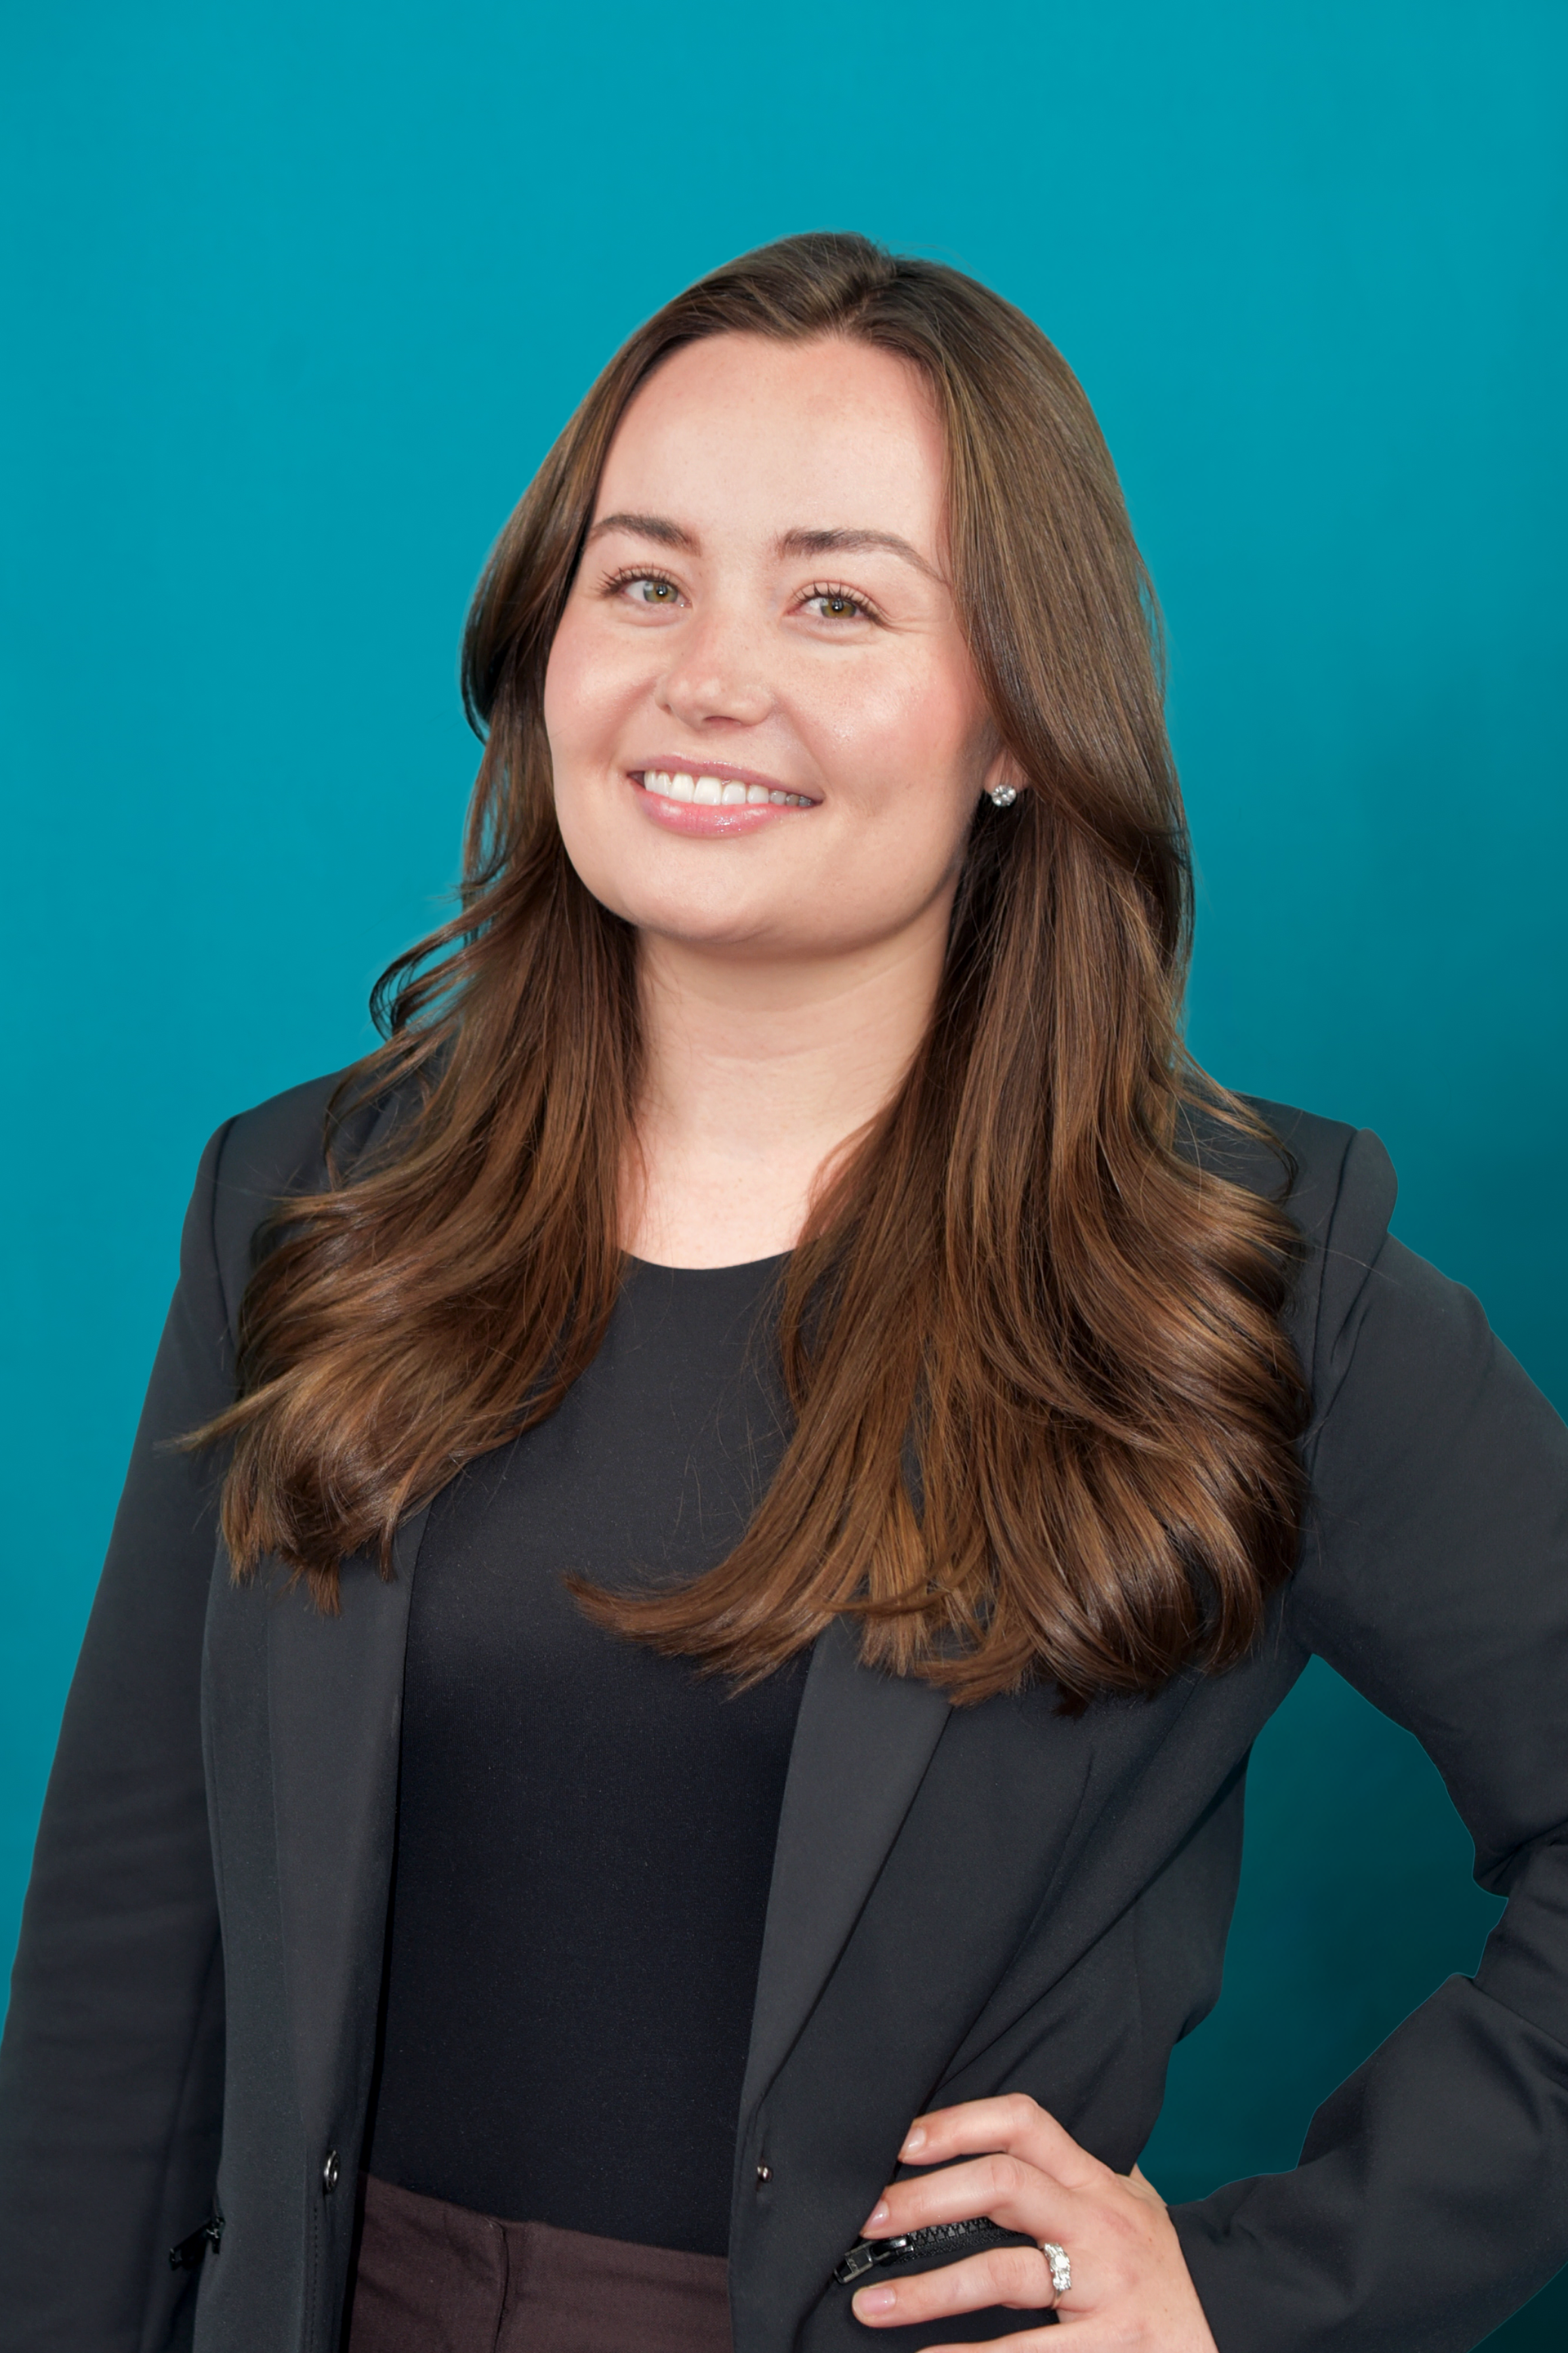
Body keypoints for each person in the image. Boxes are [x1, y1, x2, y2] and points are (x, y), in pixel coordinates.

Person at [1, 230, 1565, 2353]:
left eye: (836, 600)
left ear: (1020, 713)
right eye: (644, 580)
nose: (706, 675)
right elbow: (127, 1949)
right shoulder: (305, 1206)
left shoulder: (1254, 1276)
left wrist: (1256, 2302)